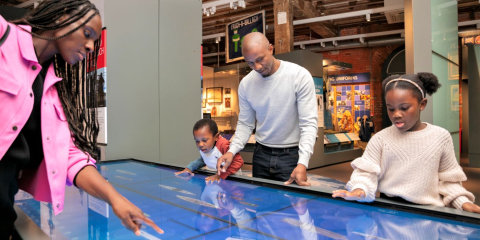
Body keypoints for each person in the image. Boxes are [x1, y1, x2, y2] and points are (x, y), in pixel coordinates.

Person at [0, 1, 162, 238]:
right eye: (87, 34)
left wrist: (116, 200)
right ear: (59, 18)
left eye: (94, 41)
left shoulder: (54, 90)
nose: (89, 46)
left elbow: (68, 155)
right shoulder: (4, 37)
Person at [332, 73, 480, 213]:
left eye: (404, 108)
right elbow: (366, 173)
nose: (396, 114)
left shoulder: (440, 137)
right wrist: (360, 189)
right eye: (391, 109)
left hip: (430, 215)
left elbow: (449, 179)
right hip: (389, 213)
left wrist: (462, 202)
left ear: (422, 104)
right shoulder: (380, 138)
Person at [216, 32, 318, 186]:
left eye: (259, 59)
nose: (256, 67)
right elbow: (245, 124)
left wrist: (303, 162)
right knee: (261, 206)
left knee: (289, 207)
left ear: (271, 49)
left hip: (291, 156)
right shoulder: (246, 84)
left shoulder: (299, 76)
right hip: (261, 154)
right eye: (250, 63)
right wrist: (231, 151)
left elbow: (309, 124)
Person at [175, 119, 243, 183]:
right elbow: (203, 160)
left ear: (216, 137)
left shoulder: (223, 145)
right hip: (217, 177)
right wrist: (189, 168)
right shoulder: (204, 147)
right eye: (197, 141)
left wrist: (220, 175)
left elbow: (238, 161)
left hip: (233, 179)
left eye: (204, 140)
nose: (200, 144)